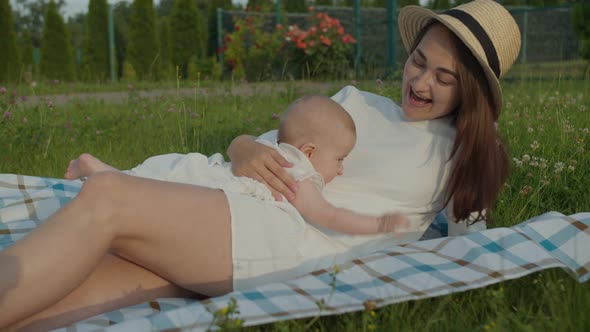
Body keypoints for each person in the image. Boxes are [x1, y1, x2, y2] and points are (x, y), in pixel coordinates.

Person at [0, 0, 521, 330]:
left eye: (444, 77)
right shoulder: (358, 101)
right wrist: (242, 144)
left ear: (470, 91)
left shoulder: (464, 152)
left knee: (107, 197)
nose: (420, 81)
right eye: (419, 60)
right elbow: (280, 146)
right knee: (91, 283)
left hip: (289, 243)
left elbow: (467, 245)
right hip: (241, 210)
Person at [64, 95, 408, 235]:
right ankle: (101, 174)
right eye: (340, 159)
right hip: (208, 195)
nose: (342, 170)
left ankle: (100, 169)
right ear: (310, 150)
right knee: (145, 203)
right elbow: (330, 216)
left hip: (200, 170)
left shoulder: (271, 145)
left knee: (144, 188)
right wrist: (377, 224)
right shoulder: (299, 173)